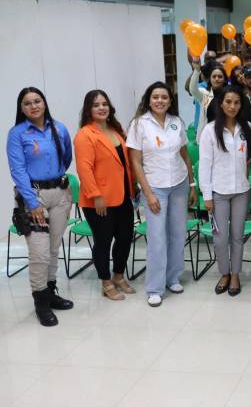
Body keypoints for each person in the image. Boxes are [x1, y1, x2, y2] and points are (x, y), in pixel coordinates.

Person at [7, 87, 74, 326]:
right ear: (21, 108)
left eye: (37, 101)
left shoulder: (59, 128)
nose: (33, 106)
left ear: (44, 103)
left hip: (61, 194)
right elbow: (18, 170)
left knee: (54, 248)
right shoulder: (17, 134)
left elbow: (66, 158)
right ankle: (41, 302)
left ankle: (51, 292)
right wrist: (32, 202)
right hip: (34, 198)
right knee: (39, 252)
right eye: (27, 103)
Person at [127, 82, 196, 307]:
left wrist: (192, 184)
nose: (160, 101)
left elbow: (185, 156)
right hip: (154, 187)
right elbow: (136, 162)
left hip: (179, 184)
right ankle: (154, 287)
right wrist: (148, 194)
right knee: (157, 238)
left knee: (177, 234)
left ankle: (172, 277)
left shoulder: (177, 123)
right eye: (155, 97)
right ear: (149, 100)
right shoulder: (139, 124)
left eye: (164, 97)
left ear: (170, 101)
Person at [74, 90, 136, 301]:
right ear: (88, 109)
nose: (101, 108)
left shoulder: (116, 130)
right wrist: (95, 195)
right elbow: (84, 168)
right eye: (96, 105)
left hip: (123, 195)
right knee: (103, 241)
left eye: (104, 103)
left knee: (126, 238)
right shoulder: (85, 134)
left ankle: (119, 275)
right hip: (99, 201)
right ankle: (106, 281)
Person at [198, 87, 251, 297]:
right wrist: (207, 196)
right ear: (221, 103)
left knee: (237, 236)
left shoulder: (248, 128)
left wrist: (249, 167)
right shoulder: (210, 131)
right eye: (228, 102)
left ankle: (236, 274)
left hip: (241, 191)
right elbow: (204, 165)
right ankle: (224, 272)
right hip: (218, 193)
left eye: (237, 102)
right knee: (220, 237)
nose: (232, 106)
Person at [190, 60, 228, 142]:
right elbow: (193, 89)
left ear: (225, 79)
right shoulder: (205, 95)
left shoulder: (229, 96)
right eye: (214, 77)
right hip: (207, 137)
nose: (216, 79)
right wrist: (197, 70)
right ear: (210, 79)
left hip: (225, 135)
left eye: (220, 76)